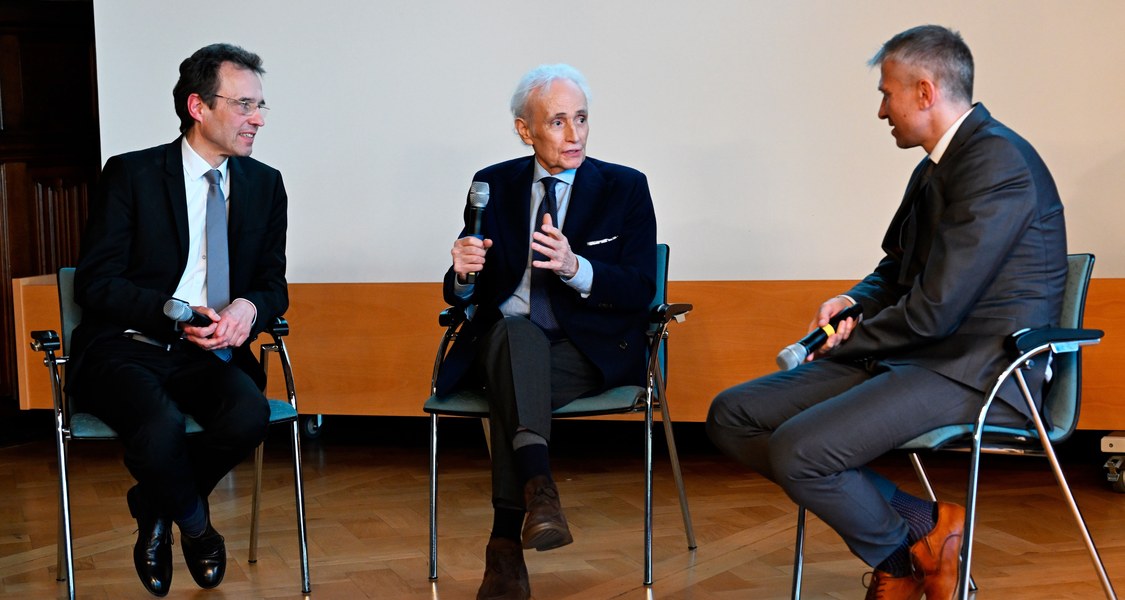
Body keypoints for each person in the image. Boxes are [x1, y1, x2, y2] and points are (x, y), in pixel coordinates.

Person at [706, 25, 1066, 600]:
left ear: (924, 92)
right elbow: (894, 272)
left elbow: (937, 309)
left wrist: (850, 341)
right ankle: (924, 531)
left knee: (799, 451)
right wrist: (853, 301)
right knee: (733, 415)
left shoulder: (996, 162)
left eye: (887, 92)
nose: (881, 110)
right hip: (919, 353)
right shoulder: (935, 167)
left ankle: (897, 562)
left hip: (979, 368)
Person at [68, 43, 287, 597]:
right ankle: (194, 525)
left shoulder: (265, 184)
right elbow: (96, 283)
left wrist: (248, 308)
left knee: (247, 415)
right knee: (160, 425)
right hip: (127, 343)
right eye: (243, 105)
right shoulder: (133, 174)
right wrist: (176, 312)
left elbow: (272, 285)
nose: (257, 118)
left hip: (206, 350)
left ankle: (153, 502)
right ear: (197, 106)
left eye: (261, 106)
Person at [438, 64, 657, 600]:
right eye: (558, 122)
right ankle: (540, 492)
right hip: (504, 341)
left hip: (588, 351)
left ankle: (504, 545)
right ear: (525, 130)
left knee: (516, 384)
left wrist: (575, 268)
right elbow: (461, 289)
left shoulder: (625, 188)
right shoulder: (491, 184)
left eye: (581, 119)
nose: (575, 134)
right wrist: (463, 274)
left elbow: (640, 287)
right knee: (516, 337)